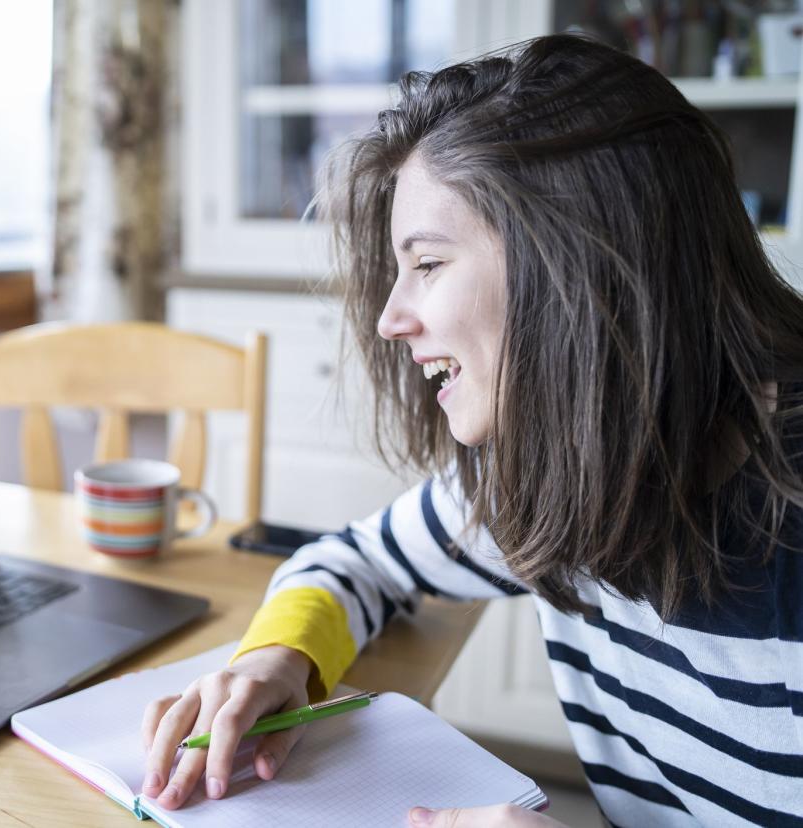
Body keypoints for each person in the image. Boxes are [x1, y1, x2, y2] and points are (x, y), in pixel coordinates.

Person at [141, 34, 803, 827]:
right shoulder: (556, 468)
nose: (390, 318)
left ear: (574, 263)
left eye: (427, 264)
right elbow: (357, 561)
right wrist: (277, 660)